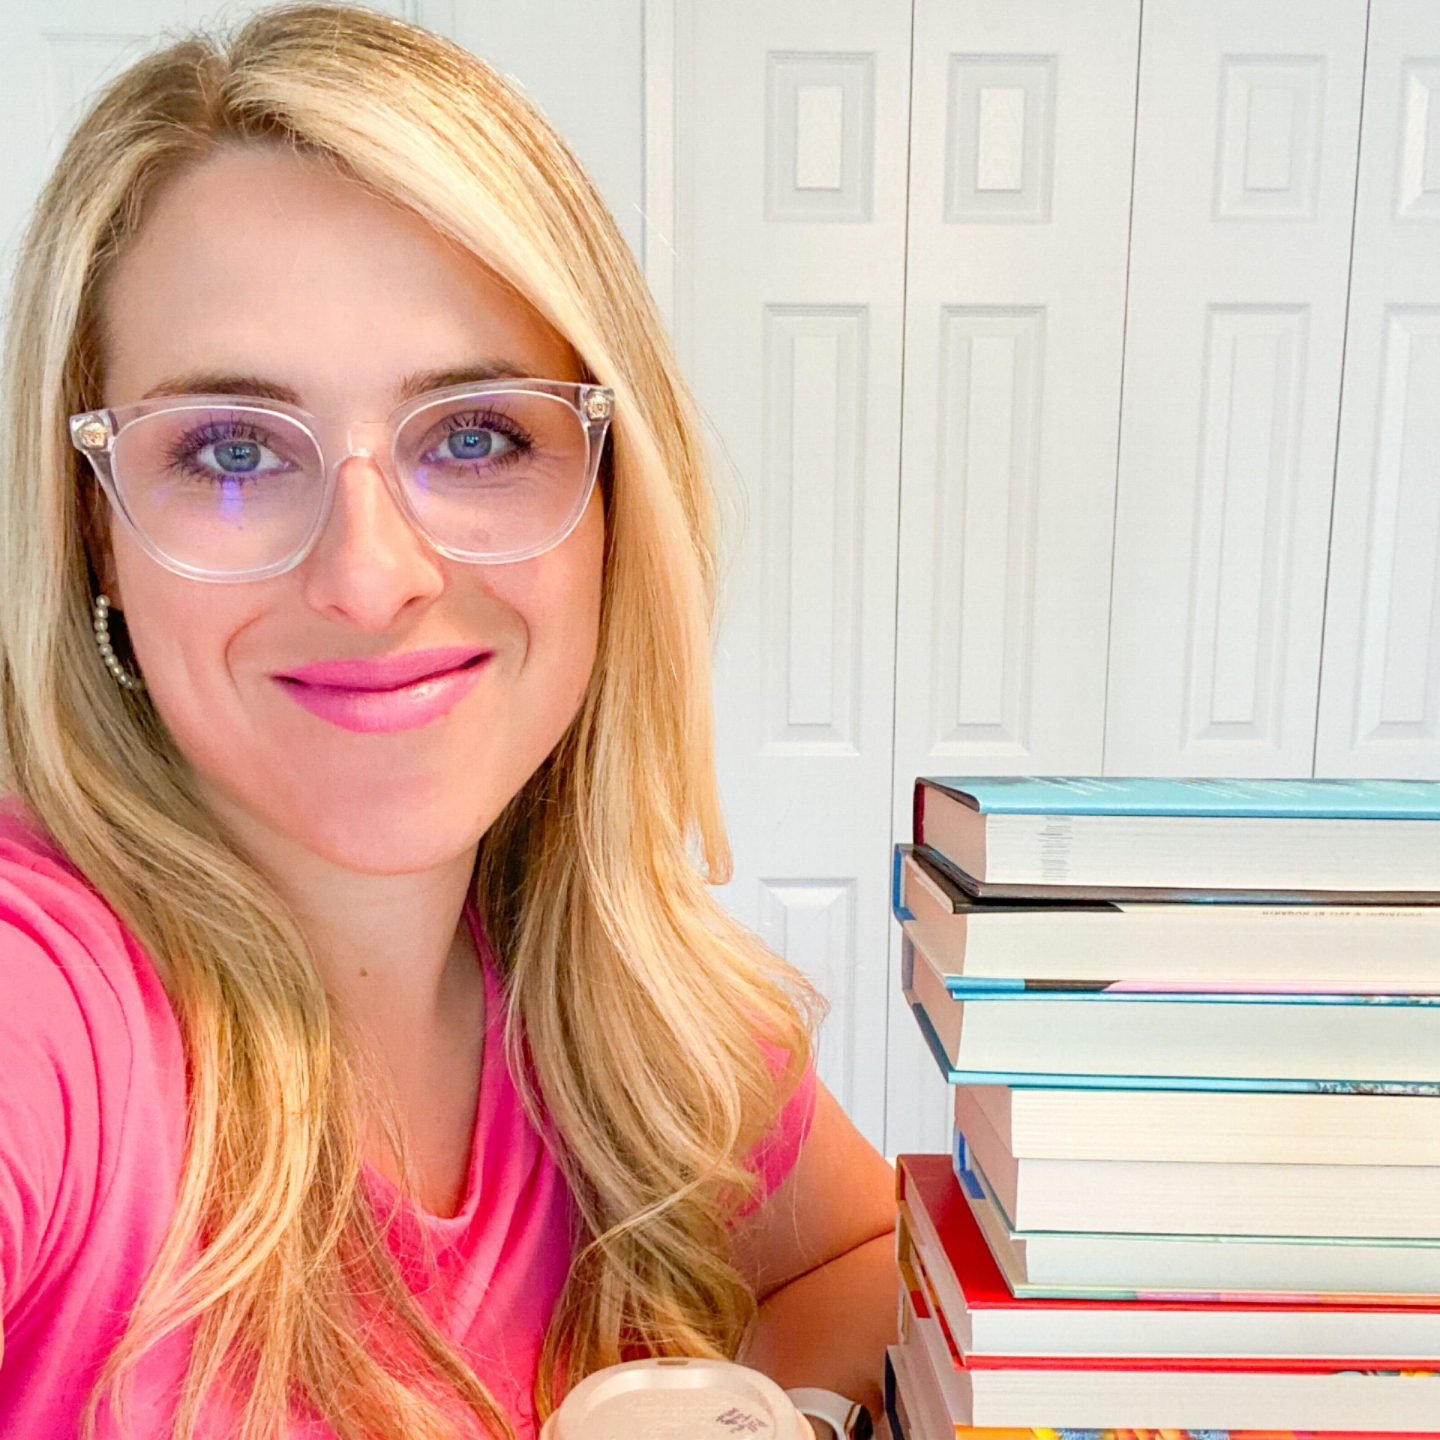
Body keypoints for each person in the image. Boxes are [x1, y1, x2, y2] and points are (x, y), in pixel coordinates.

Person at [0, 6, 899, 1439]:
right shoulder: (46, 1009)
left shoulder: (623, 1006)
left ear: (613, 503)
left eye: (476, 435)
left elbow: (861, 1257)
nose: (370, 578)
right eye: (229, 450)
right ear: (93, 534)